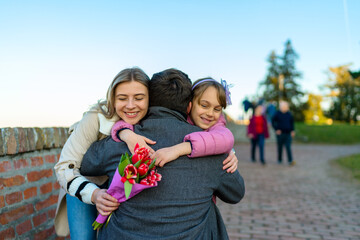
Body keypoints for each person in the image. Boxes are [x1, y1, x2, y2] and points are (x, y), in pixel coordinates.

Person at [80, 68, 245, 239]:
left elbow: (83, 165)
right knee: (208, 208)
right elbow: (236, 193)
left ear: (149, 100)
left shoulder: (122, 141)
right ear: (189, 106)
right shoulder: (210, 147)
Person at [53, 67, 152, 239]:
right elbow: (64, 167)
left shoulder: (153, 118)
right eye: (122, 98)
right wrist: (94, 194)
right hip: (86, 184)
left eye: (138, 98)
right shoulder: (95, 116)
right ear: (112, 99)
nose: (130, 105)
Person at [111, 77, 237, 173]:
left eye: (217, 109)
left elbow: (226, 138)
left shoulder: (217, 125)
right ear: (190, 104)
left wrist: (178, 150)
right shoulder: (178, 117)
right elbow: (125, 121)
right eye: (204, 106)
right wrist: (126, 134)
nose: (210, 113)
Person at [271, 101, 295, 166]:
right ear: (280, 107)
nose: (284, 108)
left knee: (288, 147)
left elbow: (292, 123)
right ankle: (279, 159)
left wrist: (292, 131)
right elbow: (273, 122)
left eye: (286, 106)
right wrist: (276, 129)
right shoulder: (277, 114)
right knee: (280, 147)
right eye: (283, 106)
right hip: (280, 134)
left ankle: (290, 160)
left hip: (288, 133)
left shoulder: (289, 114)